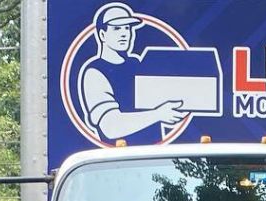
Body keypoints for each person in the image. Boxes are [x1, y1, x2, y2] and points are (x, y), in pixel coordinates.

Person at [77, 2, 186, 142]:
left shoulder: (135, 63)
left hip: (156, 153)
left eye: (127, 28)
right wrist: (158, 114)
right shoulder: (95, 72)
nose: (124, 34)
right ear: (102, 35)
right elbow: (110, 126)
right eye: (116, 28)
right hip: (118, 155)